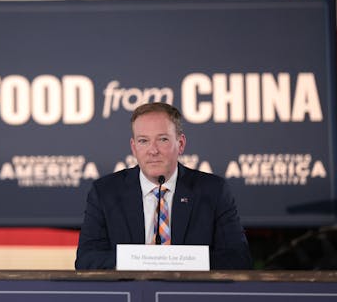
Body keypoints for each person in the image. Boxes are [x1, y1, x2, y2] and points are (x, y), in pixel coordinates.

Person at [75, 102, 252, 270]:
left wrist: (177, 260)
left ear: (180, 144)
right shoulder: (106, 192)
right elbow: (86, 260)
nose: (153, 150)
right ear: (134, 147)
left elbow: (238, 259)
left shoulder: (213, 191)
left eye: (163, 139)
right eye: (143, 141)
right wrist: (141, 259)